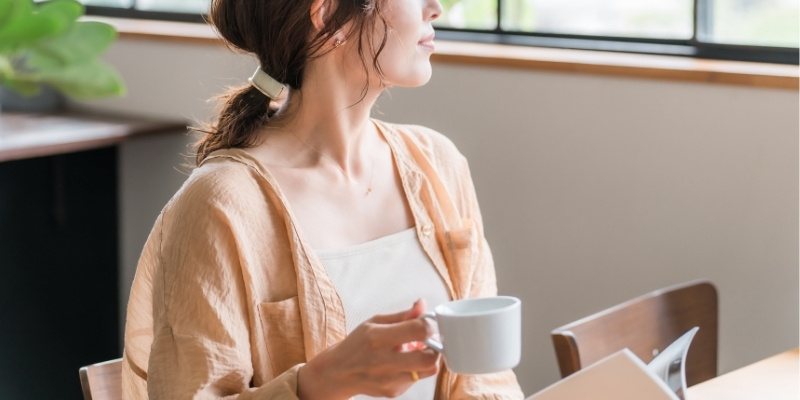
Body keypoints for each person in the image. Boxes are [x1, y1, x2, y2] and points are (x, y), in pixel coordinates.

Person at [121, 0, 524, 398]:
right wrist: (318, 384)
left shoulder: (438, 164)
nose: (435, 7)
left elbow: (487, 379)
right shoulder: (221, 202)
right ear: (328, 15)